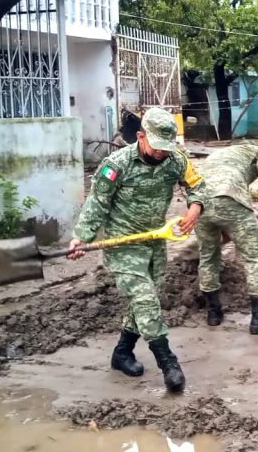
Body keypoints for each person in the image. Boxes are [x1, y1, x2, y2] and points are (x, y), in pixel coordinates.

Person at [67, 108, 204, 393]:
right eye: (157, 147)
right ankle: (168, 363)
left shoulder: (175, 160)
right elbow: (97, 205)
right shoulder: (115, 165)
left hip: (155, 241)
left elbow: (198, 185)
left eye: (167, 148)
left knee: (144, 300)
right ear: (141, 137)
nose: (161, 153)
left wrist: (195, 207)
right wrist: (81, 237)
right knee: (144, 299)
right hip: (122, 244)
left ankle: (122, 353)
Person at [196, 141, 258, 334]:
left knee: (208, 257)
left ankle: (213, 314)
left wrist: (224, 230)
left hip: (198, 203)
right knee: (253, 257)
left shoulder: (218, 155)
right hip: (231, 198)